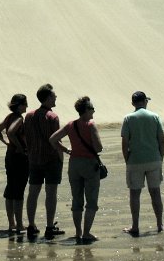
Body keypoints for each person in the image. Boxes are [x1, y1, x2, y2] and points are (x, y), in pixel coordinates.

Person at [50, 96, 104, 244]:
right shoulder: (90, 125)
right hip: (89, 164)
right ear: (86, 110)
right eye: (92, 108)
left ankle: (78, 232)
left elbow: (53, 139)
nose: (93, 111)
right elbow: (99, 148)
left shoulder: (71, 125)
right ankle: (86, 232)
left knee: (77, 200)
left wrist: (67, 150)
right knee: (91, 200)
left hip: (74, 164)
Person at [22, 83, 65, 240]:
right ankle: (49, 226)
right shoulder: (52, 117)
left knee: (33, 192)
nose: (55, 98)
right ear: (47, 98)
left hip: (34, 159)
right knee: (51, 193)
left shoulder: (29, 115)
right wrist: (63, 155)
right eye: (53, 96)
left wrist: (31, 150)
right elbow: (55, 140)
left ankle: (31, 225)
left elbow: (26, 136)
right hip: (51, 159)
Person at [120, 90, 164, 237]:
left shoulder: (128, 118)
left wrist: (127, 159)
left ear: (133, 103)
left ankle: (135, 226)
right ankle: (159, 224)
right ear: (145, 101)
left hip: (135, 161)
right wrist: (160, 158)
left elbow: (125, 142)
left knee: (135, 194)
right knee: (155, 193)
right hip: (154, 159)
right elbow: (161, 140)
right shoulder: (155, 117)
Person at [0, 94, 28, 236]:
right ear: (20, 105)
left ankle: (11, 224)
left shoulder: (9, 117)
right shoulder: (19, 118)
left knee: (10, 188)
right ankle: (19, 225)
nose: (27, 106)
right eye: (25, 104)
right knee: (19, 189)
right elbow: (11, 132)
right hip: (19, 157)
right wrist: (19, 147)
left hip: (9, 155)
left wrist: (7, 143)